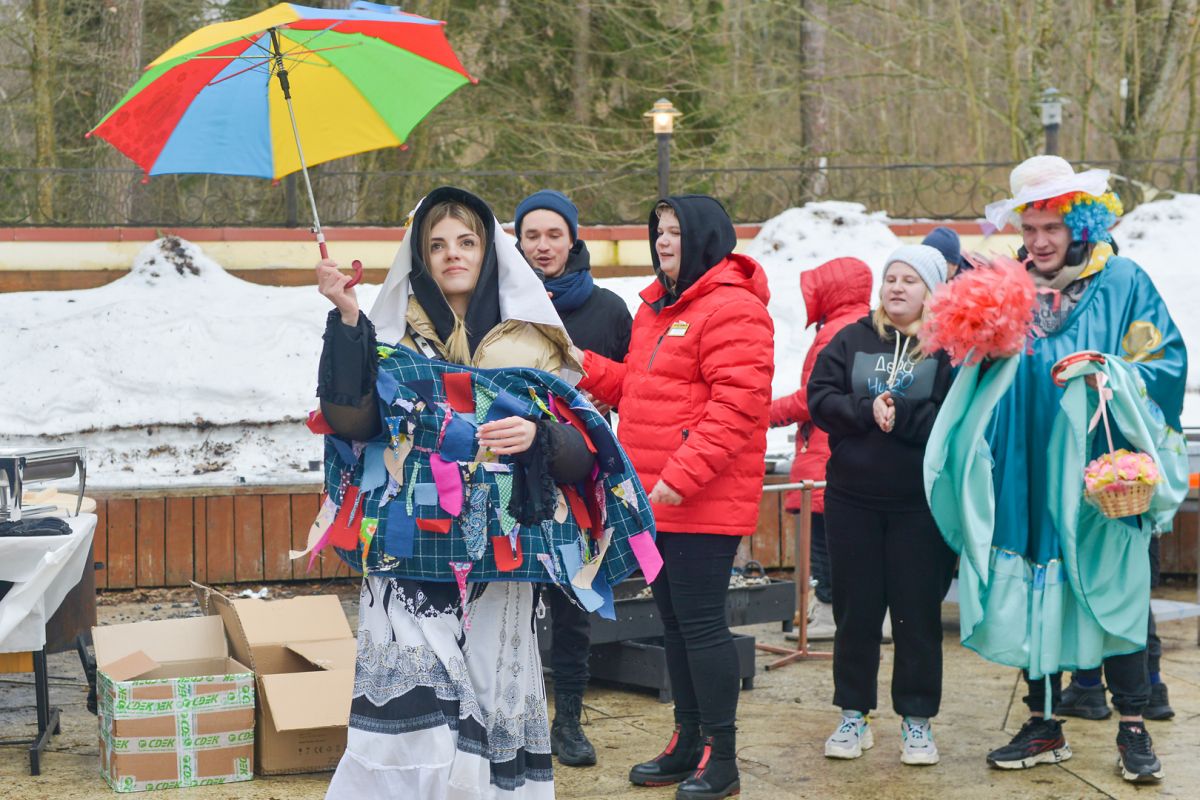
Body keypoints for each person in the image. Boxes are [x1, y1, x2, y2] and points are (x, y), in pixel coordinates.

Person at [315, 186, 595, 799]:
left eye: (466, 242)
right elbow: (350, 422)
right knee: (415, 716)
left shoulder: (537, 342)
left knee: (493, 695)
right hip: (409, 551)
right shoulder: (387, 334)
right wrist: (347, 319)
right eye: (436, 244)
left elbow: (583, 453)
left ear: (489, 251)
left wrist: (541, 436)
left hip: (502, 556)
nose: (452, 255)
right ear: (419, 256)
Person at [924, 156, 1188, 783]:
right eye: (1030, 227)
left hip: (1101, 473)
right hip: (1025, 469)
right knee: (1034, 595)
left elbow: (1166, 363)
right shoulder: (1007, 288)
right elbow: (977, 375)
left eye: (1053, 227)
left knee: (1113, 593)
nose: (1040, 241)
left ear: (1081, 224)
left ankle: (1133, 727)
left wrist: (1106, 369)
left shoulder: (1122, 280)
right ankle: (1043, 723)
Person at [576, 195, 774, 800]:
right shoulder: (658, 309)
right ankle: (688, 740)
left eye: (676, 233)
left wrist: (681, 477)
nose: (663, 242)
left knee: (702, 625)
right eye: (658, 231)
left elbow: (737, 407)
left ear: (705, 239)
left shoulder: (734, 308)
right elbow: (640, 390)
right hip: (655, 497)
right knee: (675, 625)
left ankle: (722, 758)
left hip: (700, 498)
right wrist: (577, 364)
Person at [807, 244, 956, 766]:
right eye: (891, 278)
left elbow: (954, 416)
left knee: (917, 615)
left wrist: (905, 416)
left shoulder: (946, 349)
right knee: (856, 613)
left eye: (910, 280)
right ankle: (854, 714)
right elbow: (819, 398)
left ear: (931, 291)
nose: (897, 287)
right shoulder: (852, 338)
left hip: (919, 506)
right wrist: (865, 409)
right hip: (853, 501)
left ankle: (917, 720)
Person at [514, 189, 634, 769]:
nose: (543, 246)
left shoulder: (608, 309)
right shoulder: (500, 302)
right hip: (511, 472)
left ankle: (569, 721)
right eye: (532, 235)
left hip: (581, 478)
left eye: (553, 235)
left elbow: (635, 389)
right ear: (518, 242)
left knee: (573, 601)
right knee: (511, 596)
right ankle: (514, 714)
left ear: (573, 240)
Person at [769, 257, 873, 641]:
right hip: (847, 451)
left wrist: (767, 413)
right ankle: (869, 615)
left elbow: (813, 396)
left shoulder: (835, 332)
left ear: (833, 290)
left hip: (825, 453)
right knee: (855, 545)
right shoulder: (864, 325)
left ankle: (830, 613)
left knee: (825, 544)